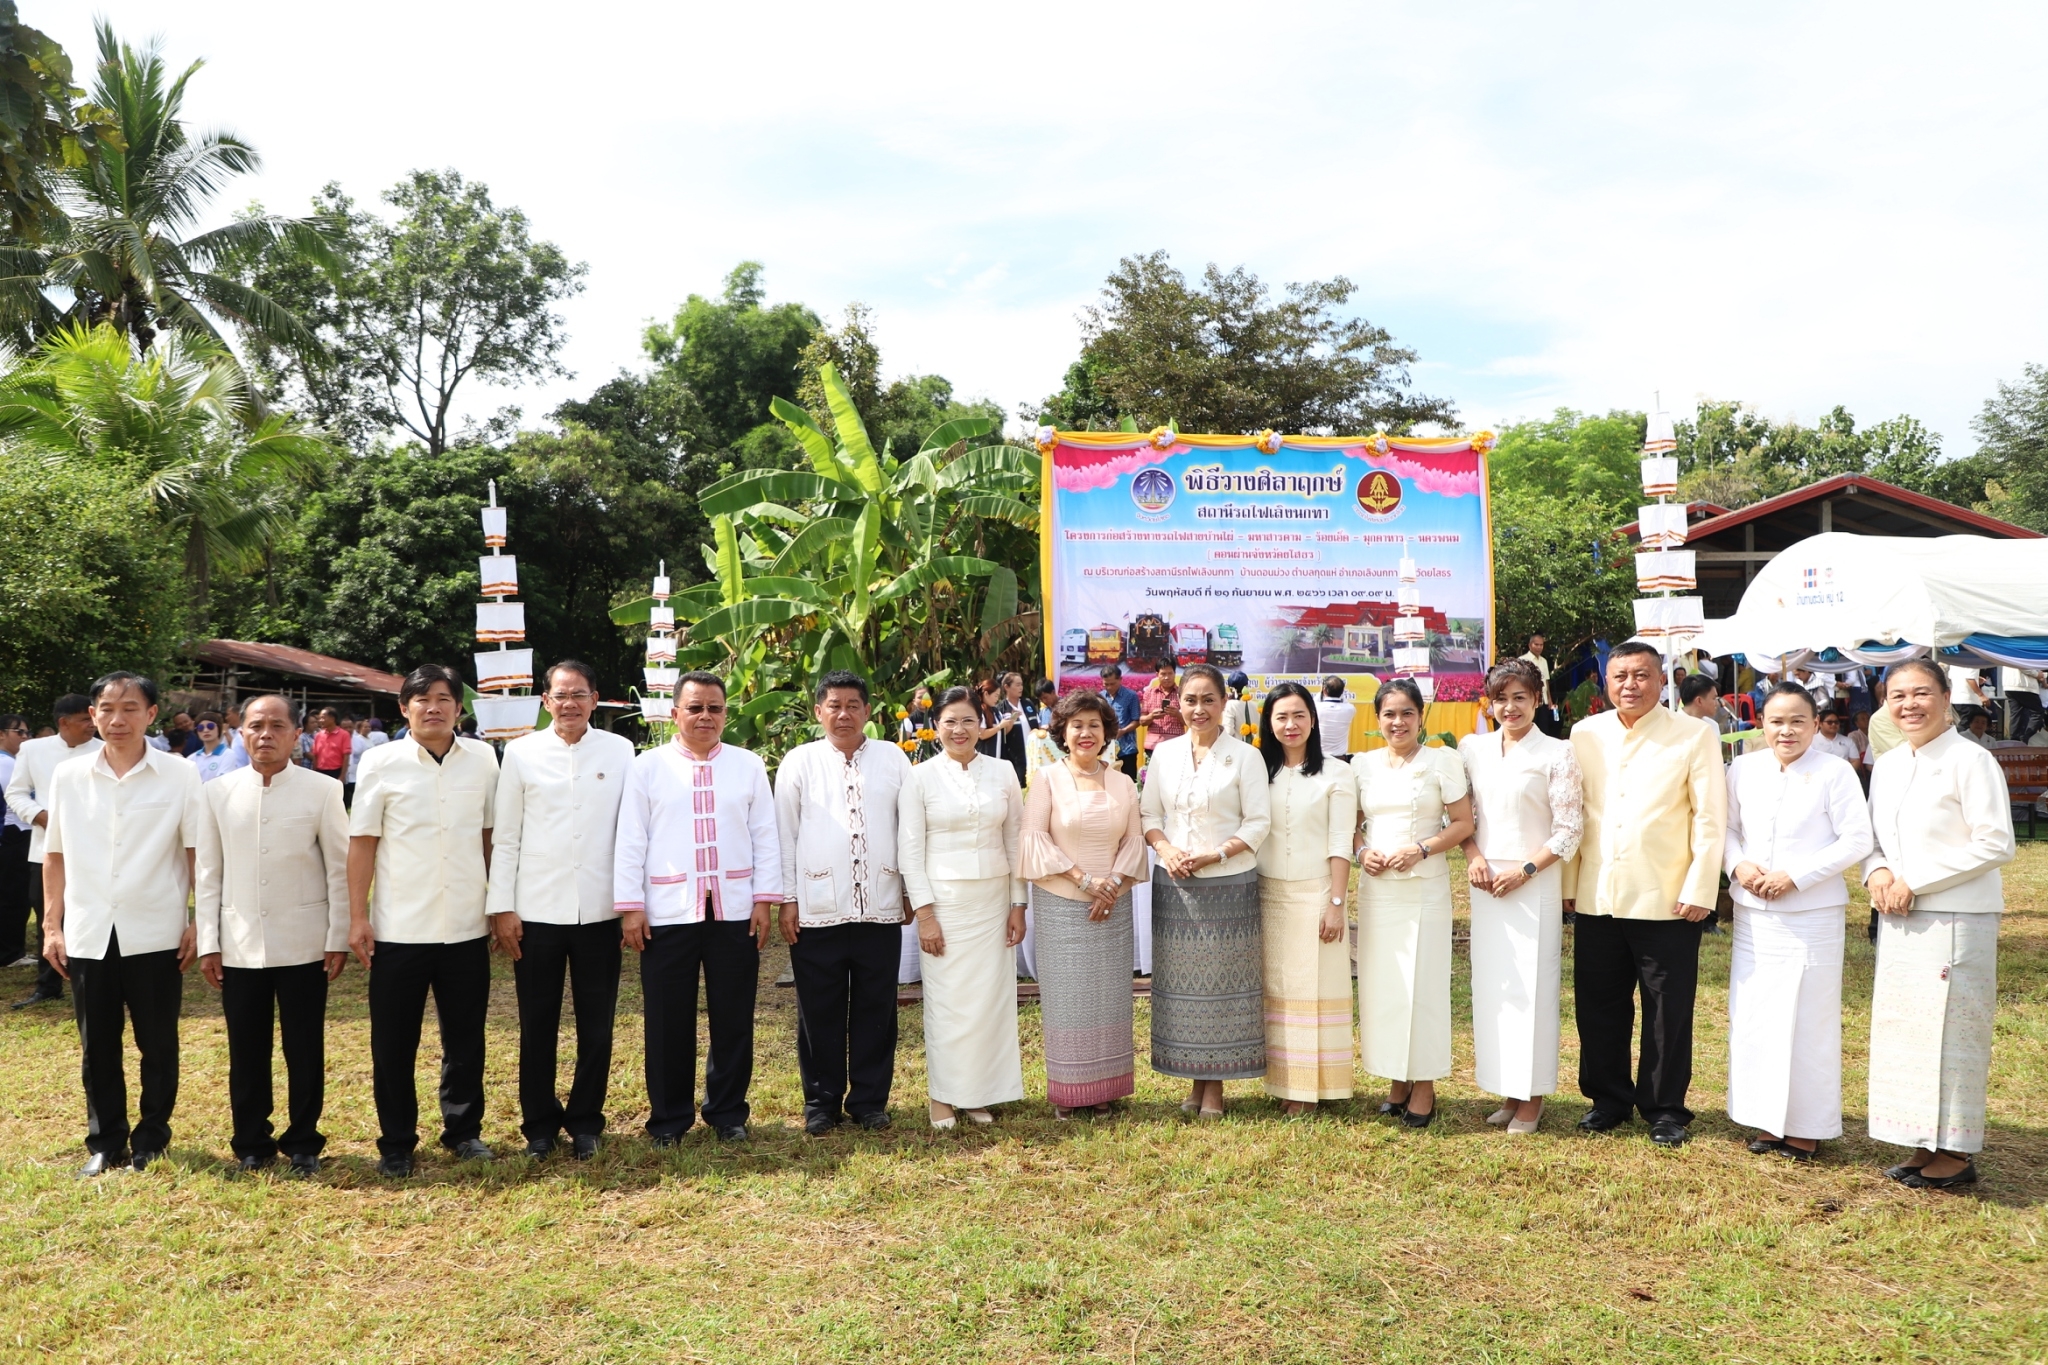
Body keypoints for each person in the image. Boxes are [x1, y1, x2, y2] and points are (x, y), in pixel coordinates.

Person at [1563, 640, 1727, 1146]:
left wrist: (1702, 887)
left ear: (1662, 681)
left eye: (1641, 675)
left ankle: (1664, 1107)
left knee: (1667, 1009)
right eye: (1619, 677)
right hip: (1597, 893)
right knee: (1599, 1005)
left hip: (1668, 897)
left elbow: (1709, 819)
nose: (1629, 685)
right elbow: (1573, 814)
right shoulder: (1584, 734)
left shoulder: (1694, 735)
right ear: (1606, 682)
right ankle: (1607, 1099)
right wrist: (1570, 886)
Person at [40, 673, 201, 1176]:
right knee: (98, 1046)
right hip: (89, 931)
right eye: (106, 709)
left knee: (158, 1043)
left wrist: (199, 920)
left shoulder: (179, 775)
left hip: (157, 929)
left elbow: (197, 853)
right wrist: (51, 924)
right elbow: (56, 854)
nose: (117, 719)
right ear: (92, 715)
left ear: (151, 714)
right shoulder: (69, 776)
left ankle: (152, 1136)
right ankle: (105, 1141)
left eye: (130, 708)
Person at [1863, 660, 2016, 1189]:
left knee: (1952, 1033)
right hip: (1901, 917)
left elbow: (1996, 841)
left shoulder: (1970, 760)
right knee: (1909, 1031)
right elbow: (1874, 841)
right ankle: (1920, 1141)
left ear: (1947, 696)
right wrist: (1878, 872)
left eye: (1921, 693)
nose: (1909, 704)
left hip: (1956, 917)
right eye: (1897, 694)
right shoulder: (1887, 764)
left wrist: (1916, 881)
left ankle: (1955, 1151)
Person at [615, 670, 780, 1147]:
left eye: (715, 708)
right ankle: (669, 1118)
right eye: (695, 707)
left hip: (733, 911)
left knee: (733, 1017)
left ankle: (727, 1112)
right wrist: (631, 907)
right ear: (675, 714)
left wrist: (764, 901)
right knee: (668, 1019)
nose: (705, 716)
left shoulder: (747, 765)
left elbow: (764, 836)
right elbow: (631, 839)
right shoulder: (648, 767)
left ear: (726, 714)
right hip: (668, 912)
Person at [347, 664, 499, 1177]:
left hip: (464, 927)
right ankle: (396, 1141)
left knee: (465, 1038)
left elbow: (489, 836)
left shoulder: (482, 759)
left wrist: (498, 903)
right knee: (393, 1043)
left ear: (460, 707)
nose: (432, 707)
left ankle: (463, 1130)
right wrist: (356, 916)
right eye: (421, 699)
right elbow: (363, 842)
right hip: (399, 930)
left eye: (443, 698)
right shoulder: (379, 762)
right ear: (404, 708)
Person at [194, 694, 350, 1176]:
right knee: (246, 1050)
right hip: (238, 943)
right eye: (256, 725)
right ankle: (250, 1142)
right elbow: (208, 872)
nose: (266, 734)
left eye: (277, 726)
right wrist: (209, 941)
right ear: (241, 732)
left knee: (304, 1047)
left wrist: (337, 935)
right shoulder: (218, 792)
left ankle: (304, 1141)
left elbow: (339, 869)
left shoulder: (322, 790)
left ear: (295, 734)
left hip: (305, 941)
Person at [488, 661, 635, 1159]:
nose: (570, 703)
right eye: (560, 694)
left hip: (599, 910)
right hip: (536, 912)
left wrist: (631, 903)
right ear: (544, 700)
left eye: (580, 694)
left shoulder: (620, 751)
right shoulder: (522, 753)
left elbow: (631, 835)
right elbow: (506, 837)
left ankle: (587, 1121)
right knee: (537, 1024)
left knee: (597, 1025)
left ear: (596, 699)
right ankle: (540, 1126)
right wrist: (501, 907)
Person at [1720, 682, 1872, 1163]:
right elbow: (1726, 829)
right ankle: (1766, 1120)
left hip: (1811, 915)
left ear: (1814, 724)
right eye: (1776, 721)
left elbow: (1855, 839)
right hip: (1753, 913)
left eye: (1797, 721)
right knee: (1756, 1017)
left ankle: (1806, 1128)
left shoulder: (1835, 772)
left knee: (1809, 1020)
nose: (1786, 731)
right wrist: (1739, 867)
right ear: (1761, 724)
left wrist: (1796, 877)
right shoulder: (1742, 768)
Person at [776, 670, 913, 1135]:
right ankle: (821, 1102)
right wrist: (789, 899)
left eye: (853, 705)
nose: (843, 714)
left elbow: (910, 829)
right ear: (819, 711)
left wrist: (911, 891)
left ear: (868, 711)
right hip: (817, 909)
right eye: (833, 705)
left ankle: (870, 1101)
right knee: (819, 1008)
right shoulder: (799, 761)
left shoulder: (894, 759)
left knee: (877, 1006)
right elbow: (784, 834)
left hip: (881, 903)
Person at [1140, 662, 1270, 1118]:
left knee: (1222, 987)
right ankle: (1193, 1082)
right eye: (1190, 699)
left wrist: (1215, 855)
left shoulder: (1246, 756)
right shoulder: (1164, 754)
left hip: (1229, 883)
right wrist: (1167, 850)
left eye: (1208, 700)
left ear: (1224, 703)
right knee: (1181, 989)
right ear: (1178, 701)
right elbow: (1149, 816)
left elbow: (1258, 822)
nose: (1199, 709)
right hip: (1174, 884)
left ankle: (1215, 1088)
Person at [1459, 660, 1583, 1135]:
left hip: (1534, 883)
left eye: (1520, 698)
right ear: (1489, 704)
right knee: (1496, 987)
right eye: (1501, 699)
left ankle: (1533, 1098)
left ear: (1537, 700)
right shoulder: (1474, 749)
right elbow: (1463, 817)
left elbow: (1569, 830)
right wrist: (1473, 855)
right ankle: (1510, 1089)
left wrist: (1526, 870)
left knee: (1533, 987)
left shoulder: (1557, 752)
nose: (1510, 707)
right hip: (1486, 881)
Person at [898, 687, 1027, 1129]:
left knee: (989, 1001)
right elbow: (911, 852)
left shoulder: (1003, 771)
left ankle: (977, 1093)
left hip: (993, 900)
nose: (959, 729)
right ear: (936, 727)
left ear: (981, 724)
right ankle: (942, 1096)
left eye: (968, 720)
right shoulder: (919, 778)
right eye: (950, 721)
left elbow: (1015, 841)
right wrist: (926, 915)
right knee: (949, 1001)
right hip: (945, 904)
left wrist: (1018, 904)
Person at [1018, 690, 1146, 1117]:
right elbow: (1035, 837)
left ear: (1107, 732)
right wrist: (1085, 880)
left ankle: (1105, 1088)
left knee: (1109, 997)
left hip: (1113, 901)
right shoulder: (1047, 779)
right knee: (1068, 998)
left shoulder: (1124, 782)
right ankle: (1070, 1093)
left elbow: (1132, 840)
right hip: (1063, 900)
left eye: (1094, 724)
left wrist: (1110, 885)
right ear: (1062, 733)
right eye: (1077, 725)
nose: (1086, 733)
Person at [1355, 678, 1476, 1128]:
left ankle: (1424, 1085)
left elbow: (1463, 823)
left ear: (1421, 717)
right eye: (1389, 714)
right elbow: (1352, 825)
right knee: (1385, 986)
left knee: (1422, 986)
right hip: (1379, 891)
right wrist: (1362, 853)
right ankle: (1396, 1080)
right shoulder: (1362, 766)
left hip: (1424, 888)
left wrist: (1422, 848)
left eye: (1407, 713)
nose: (1398, 722)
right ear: (1378, 719)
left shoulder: (1441, 761)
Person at [1254, 683, 1357, 1115]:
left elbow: (1340, 841)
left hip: (1317, 893)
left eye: (1299, 715)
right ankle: (1285, 1083)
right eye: (1281, 717)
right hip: (1266, 892)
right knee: (1277, 990)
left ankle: (1316, 1089)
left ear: (1313, 719)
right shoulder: (1259, 770)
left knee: (1315, 991)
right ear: (1269, 723)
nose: (1290, 724)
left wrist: (1335, 902)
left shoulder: (1337, 773)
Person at [6, 694, 100, 1008]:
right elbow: (16, 793)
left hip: (92, 849)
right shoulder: (33, 750)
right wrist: (41, 817)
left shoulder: (103, 750)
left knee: (92, 914)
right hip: (43, 849)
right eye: (85, 719)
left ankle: (97, 982)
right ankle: (48, 986)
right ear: (64, 722)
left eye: (92, 718)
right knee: (48, 915)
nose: (92, 724)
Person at [0, 715, 30, 969]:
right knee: (15, 895)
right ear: (1, 734)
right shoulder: (7, 764)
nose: (24, 738)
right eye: (19, 732)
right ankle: (11, 952)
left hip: (11, 834)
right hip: (14, 833)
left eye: (26, 733)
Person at [1099, 665, 1143, 782]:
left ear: (1120, 680)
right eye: (1105, 684)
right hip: (1105, 749)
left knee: (1129, 783)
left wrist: (1123, 731)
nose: (1109, 687)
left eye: (1112, 684)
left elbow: (1136, 721)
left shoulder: (1131, 696)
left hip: (1126, 749)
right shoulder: (1101, 697)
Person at [1140, 661, 1184, 767]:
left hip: (1176, 747)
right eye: (1163, 674)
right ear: (1157, 675)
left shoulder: (1182, 694)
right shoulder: (1149, 693)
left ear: (1175, 673)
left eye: (1170, 673)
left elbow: (1189, 722)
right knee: (1151, 779)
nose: (1167, 677)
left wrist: (1177, 714)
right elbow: (1142, 721)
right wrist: (1151, 717)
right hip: (1153, 746)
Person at [1519, 633, 1559, 736]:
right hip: (1529, 701)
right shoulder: (1523, 660)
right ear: (1530, 645)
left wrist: (1549, 700)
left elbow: (1546, 681)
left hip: (1543, 701)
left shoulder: (1544, 661)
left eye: (1541, 645)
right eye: (1536, 644)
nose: (1539, 647)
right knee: (1528, 730)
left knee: (1543, 730)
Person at [190, 712, 247, 784]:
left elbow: (221, 783)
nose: (206, 730)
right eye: (200, 728)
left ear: (219, 728)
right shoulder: (191, 758)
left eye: (210, 726)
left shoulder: (229, 755)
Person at [1315, 676, 1356, 764]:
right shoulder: (1350, 709)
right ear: (1342, 692)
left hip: (1319, 759)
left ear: (1324, 690)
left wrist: (1321, 690)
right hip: (1340, 760)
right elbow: (1344, 701)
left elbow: (1313, 701)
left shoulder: (1316, 708)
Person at [309, 708, 351, 786]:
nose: (320, 720)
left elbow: (346, 757)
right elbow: (315, 756)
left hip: (335, 772)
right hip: (320, 773)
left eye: (323, 718)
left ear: (332, 719)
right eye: (320, 718)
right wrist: (314, 773)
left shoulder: (344, 735)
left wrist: (342, 776)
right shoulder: (318, 735)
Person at [900, 686, 939, 764]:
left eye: (925, 696)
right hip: (916, 760)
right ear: (914, 701)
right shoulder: (909, 720)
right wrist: (924, 740)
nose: (922, 699)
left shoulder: (937, 716)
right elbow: (903, 743)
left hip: (936, 757)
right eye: (919, 697)